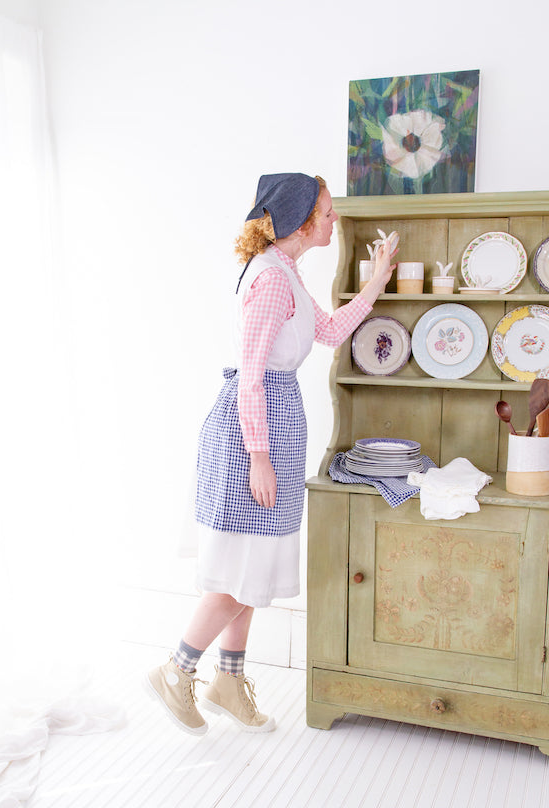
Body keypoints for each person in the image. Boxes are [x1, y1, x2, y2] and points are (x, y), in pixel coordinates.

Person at [147, 173, 396, 735]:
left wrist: (377, 281)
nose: (334, 220)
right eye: (328, 212)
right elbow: (250, 376)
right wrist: (259, 455)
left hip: (271, 427)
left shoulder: (286, 272)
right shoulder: (271, 281)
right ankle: (176, 669)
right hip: (250, 434)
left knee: (251, 567)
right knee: (241, 570)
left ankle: (227, 680)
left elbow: (330, 331)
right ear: (302, 219)